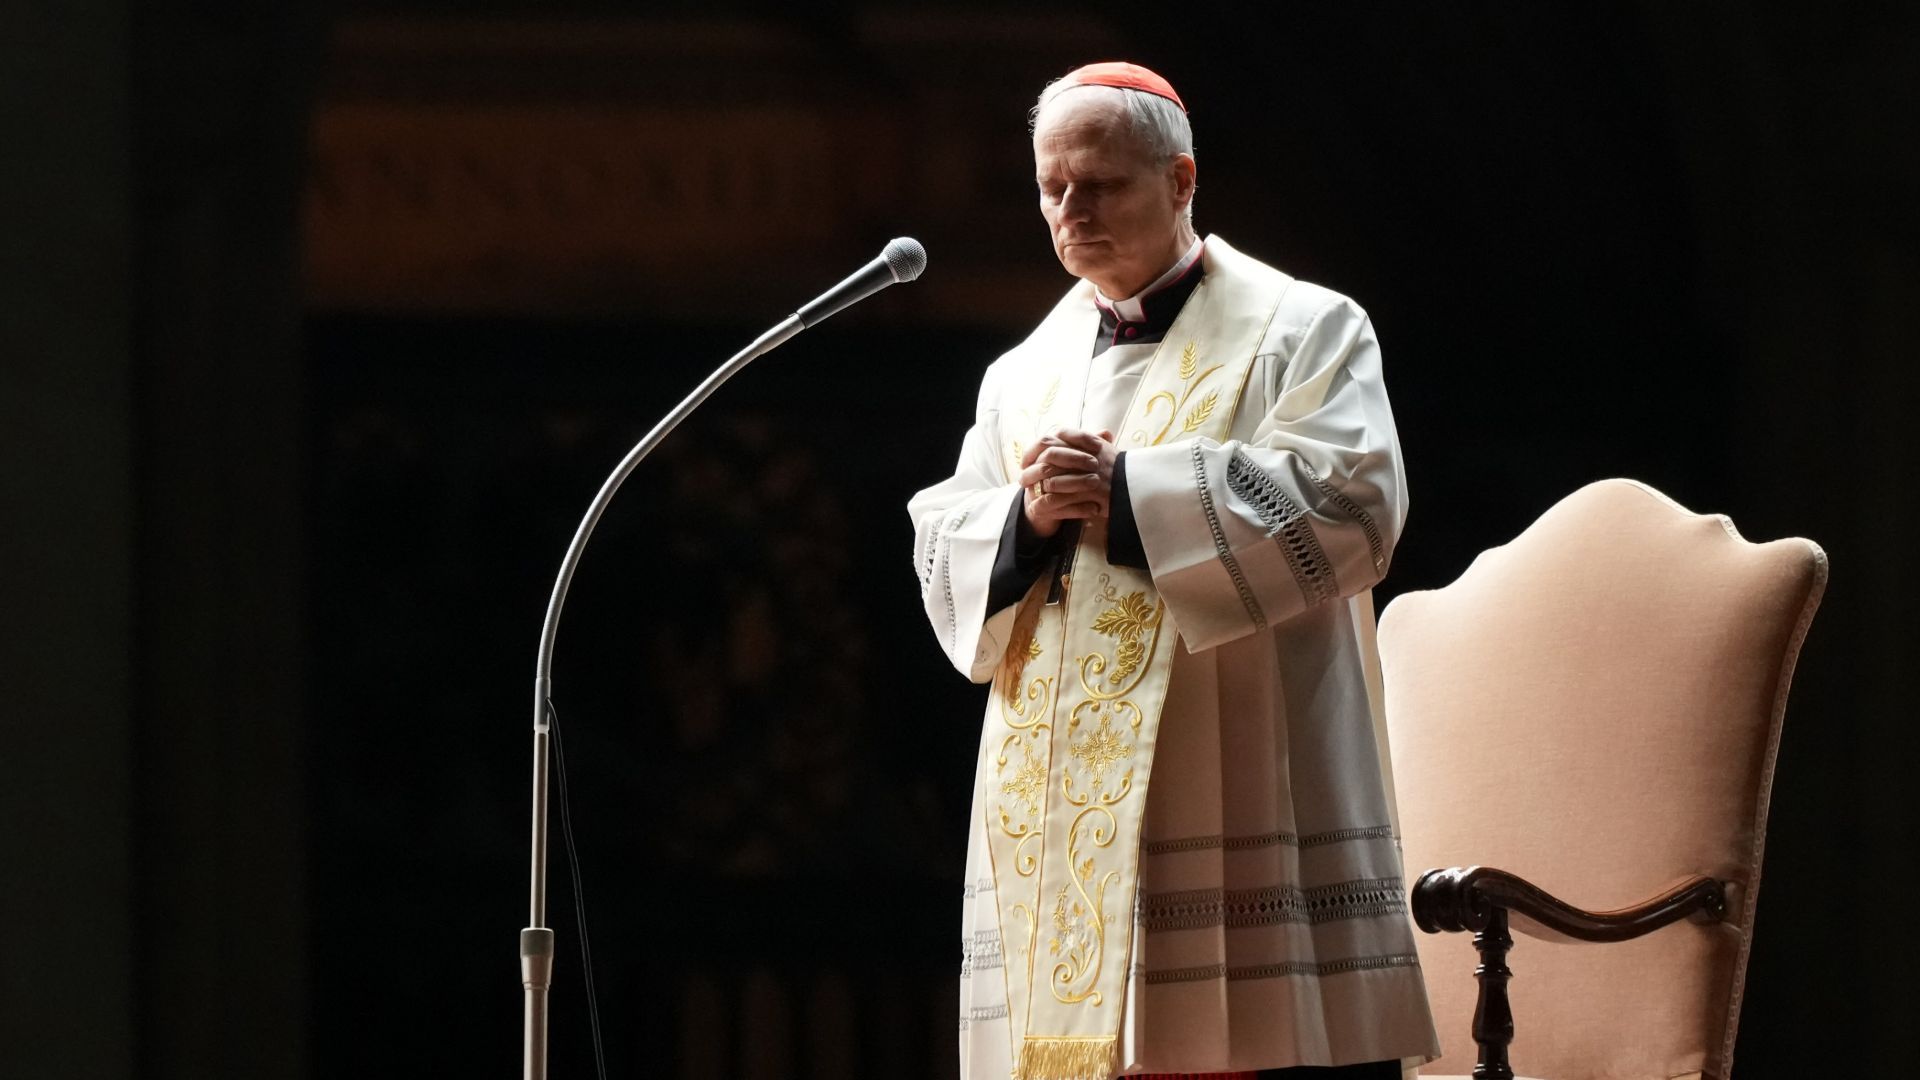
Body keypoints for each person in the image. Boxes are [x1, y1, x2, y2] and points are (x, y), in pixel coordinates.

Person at [909, 63, 1439, 1080]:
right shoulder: (1021, 374)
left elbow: (1356, 504)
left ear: (1182, 179)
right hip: (1057, 784)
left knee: (1221, 1042)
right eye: (1052, 186)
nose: (1072, 209)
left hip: (1231, 760)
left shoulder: (1305, 329)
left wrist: (1137, 494)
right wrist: (1023, 520)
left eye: (1100, 183)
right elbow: (947, 535)